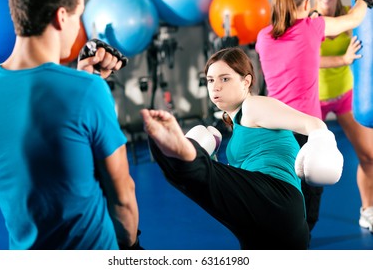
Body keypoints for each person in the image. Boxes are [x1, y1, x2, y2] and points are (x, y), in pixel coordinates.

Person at [140, 47, 343, 250]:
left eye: (225, 79)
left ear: (246, 81)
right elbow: (233, 187)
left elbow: (314, 124)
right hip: (269, 223)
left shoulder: (253, 106)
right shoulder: (237, 126)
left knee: (194, 171)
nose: (215, 87)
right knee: (198, 172)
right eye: (210, 80)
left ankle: (184, 153)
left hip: (276, 199)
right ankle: (188, 156)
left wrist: (321, 140)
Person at [0, 0, 139, 249]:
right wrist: (131, 249)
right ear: (62, 17)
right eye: (79, 17)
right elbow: (123, 197)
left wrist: (83, 80)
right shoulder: (88, 92)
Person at [255, 0, 372, 235]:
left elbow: (298, 50)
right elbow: (353, 20)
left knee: (283, 187)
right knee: (311, 190)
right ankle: (301, 238)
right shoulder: (311, 27)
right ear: (307, 2)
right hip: (308, 128)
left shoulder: (263, 37)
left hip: (275, 127)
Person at [312, 0, 373, 233]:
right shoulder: (306, 18)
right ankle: (293, 218)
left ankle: (367, 210)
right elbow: (306, 58)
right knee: (297, 162)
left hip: (347, 95)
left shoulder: (353, 16)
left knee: (369, 156)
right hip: (314, 98)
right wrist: (343, 58)